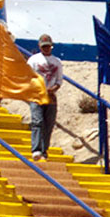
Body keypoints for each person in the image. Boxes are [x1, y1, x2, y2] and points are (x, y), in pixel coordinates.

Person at [27, 33, 64, 161]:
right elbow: (28, 77)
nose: (46, 48)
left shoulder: (57, 61)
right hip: (37, 94)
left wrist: (53, 89)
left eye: (48, 46)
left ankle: (44, 149)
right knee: (37, 121)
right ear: (39, 46)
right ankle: (36, 149)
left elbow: (59, 80)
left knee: (49, 123)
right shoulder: (33, 60)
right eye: (43, 46)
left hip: (51, 96)